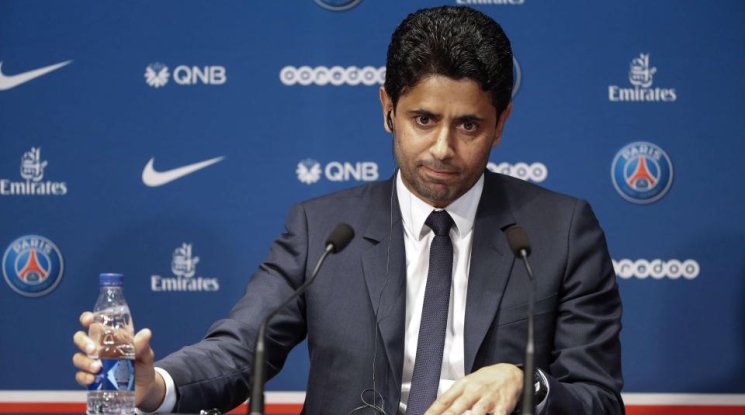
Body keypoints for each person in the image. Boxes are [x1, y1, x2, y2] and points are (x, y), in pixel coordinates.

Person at [73, 6, 623, 415]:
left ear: (501, 124)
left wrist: (530, 386)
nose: (442, 148)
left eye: (469, 126)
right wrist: (156, 386)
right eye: (424, 120)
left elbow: (598, 398)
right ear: (388, 109)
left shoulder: (560, 231)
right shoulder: (322, 229)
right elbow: (243, 349)